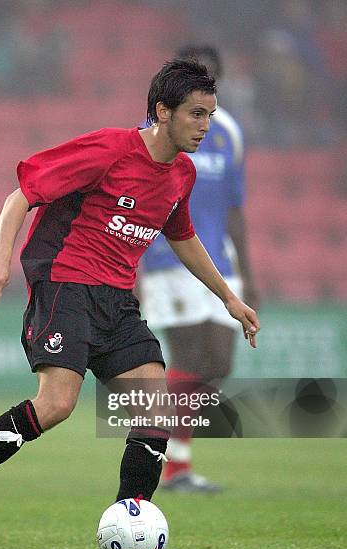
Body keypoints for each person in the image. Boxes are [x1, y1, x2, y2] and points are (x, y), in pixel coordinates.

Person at [0, 58, 260, 549]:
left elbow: (181, 236)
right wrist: (1, 257)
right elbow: (21, 195)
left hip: (117, 301)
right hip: (66, 286)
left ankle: (128, 530)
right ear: (162, 111)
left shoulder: (180, 173)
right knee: (55, 406)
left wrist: (228, 297)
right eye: (196, 114)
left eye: (210, 114)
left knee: (156, 408)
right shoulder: (110, 149)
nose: (205, 126)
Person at [140, 46, 259, 493]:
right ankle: (172, 465)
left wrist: (249, 276)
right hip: (166, 259)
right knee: (190, 357)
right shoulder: (157, 131)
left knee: (218, 363)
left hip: (220, 264)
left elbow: (235, 208)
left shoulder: (228, 133)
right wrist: (134, 270)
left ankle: (167, 451)